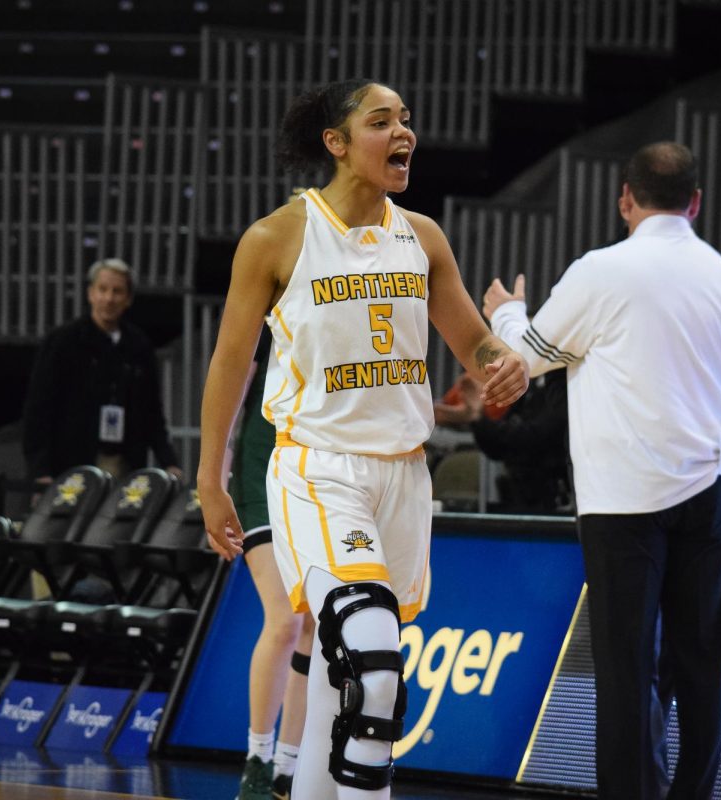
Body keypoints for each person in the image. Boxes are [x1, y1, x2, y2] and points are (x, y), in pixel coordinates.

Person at [197, 78, 529, 800]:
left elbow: (473, 343)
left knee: (339, 667)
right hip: (317, 467)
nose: (403, 132)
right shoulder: (277, 237)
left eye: (406, 119)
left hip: (404, 475)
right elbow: (231, 360)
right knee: (375, 662)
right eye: (382, 121)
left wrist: (507, 367)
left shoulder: (424, 238)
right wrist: (210, 475)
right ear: (337, 144)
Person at [484, 141, 721, 800]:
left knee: (626, 670)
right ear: (697, 202)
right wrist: (717, 435)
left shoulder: (601, 271)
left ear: (625, 199)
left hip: (622, 497)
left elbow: (524, 361)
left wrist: (505, 310)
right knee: (701, 664)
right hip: (713, 486)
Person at [232, 343, 315, 800]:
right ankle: (257, 759)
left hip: (315, 468)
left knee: (313, 625)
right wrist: (215, 472)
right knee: (284, 620)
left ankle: (289, 764)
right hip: (261, 465)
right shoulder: (270, 290)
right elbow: (233, 375)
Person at [22, 258, 183, 485]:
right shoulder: (62, 341)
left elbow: (152, 412)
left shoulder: (139, 345)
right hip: (69, 462)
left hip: (124, 462)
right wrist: (39, 470)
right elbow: (38, 410)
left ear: (128, 299)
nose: (109, 298)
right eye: (102, 289)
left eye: (117, 291)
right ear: (90, 293)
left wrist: (169, 461)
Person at [433, 370, 572, 513]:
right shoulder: (532, 382)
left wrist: (479, 419)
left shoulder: (566, 383)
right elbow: (497, 448)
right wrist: (476, 419)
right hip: (518, 496)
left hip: (553, 501)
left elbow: (535, 438)